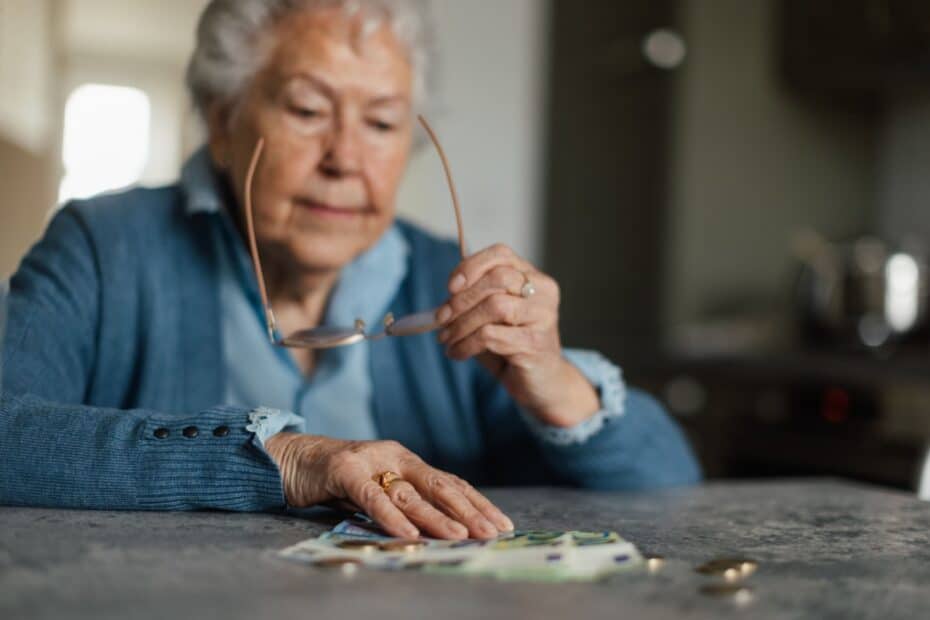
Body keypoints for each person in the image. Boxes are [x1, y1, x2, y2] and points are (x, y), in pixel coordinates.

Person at [0, 0, 699, 540]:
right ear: (222, 121)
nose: (345, 160)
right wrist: (292, 460)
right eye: (307, 110)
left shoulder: (447, 285)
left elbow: (672, 490)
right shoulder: (106, 247)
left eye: (383, 122)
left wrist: (558, 387)